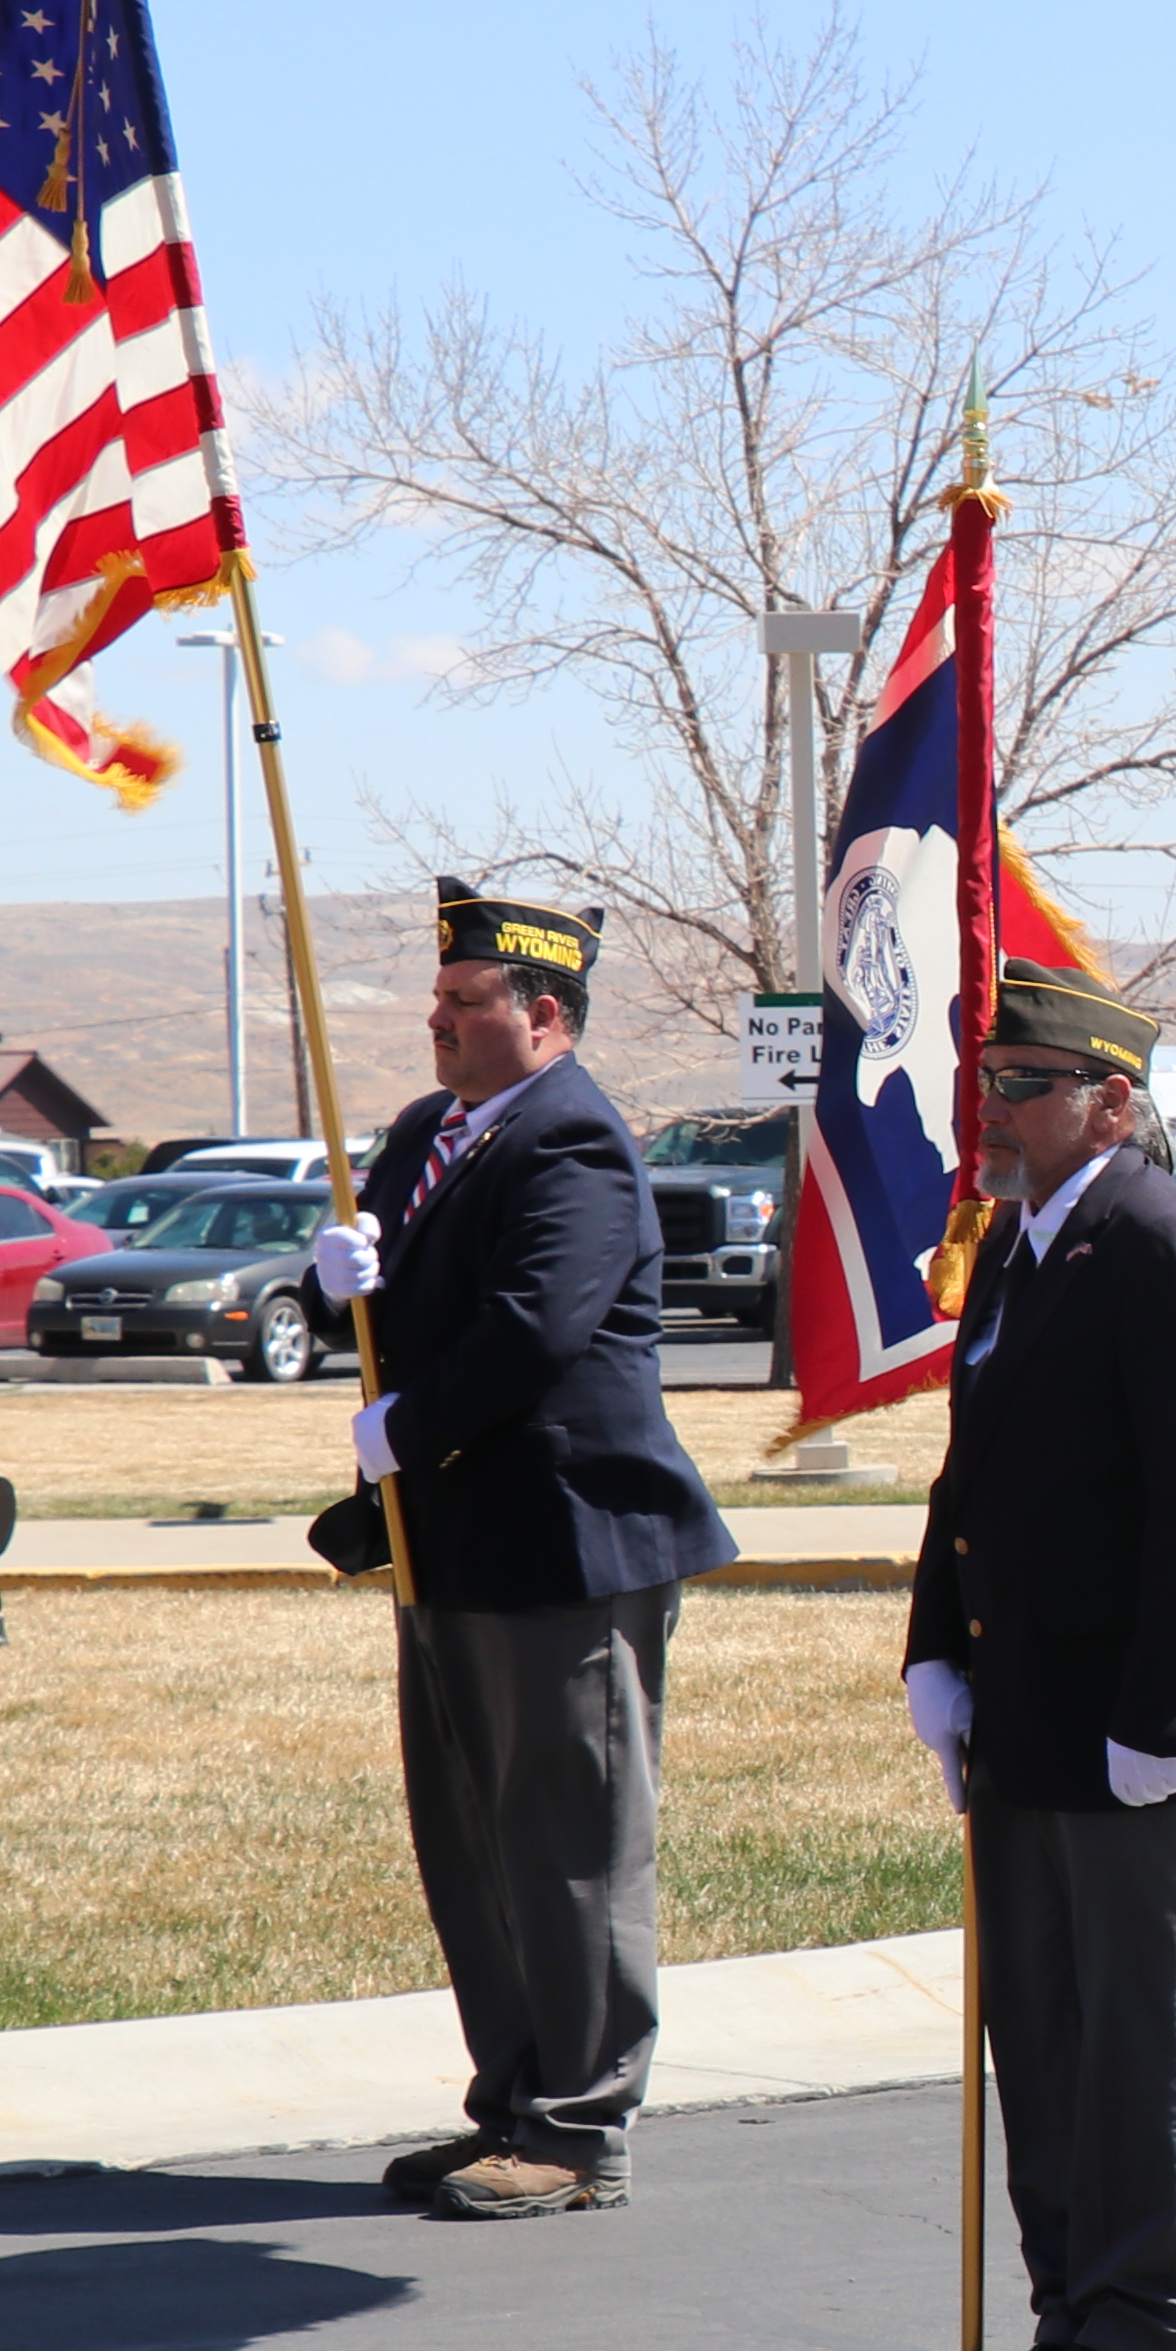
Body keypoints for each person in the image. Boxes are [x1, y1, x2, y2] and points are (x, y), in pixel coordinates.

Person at [900, 971, 1176, 2351]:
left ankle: (1151, 2321)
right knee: (1045, 2019)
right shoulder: (1021, 1243)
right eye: (988, 1081)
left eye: (1024, 1083)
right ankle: (1071, 2304)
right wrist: (934, 1648)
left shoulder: (1159, 1237)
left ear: (1113, 1104)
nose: (994, 1108)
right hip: (1024, 1700)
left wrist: (1164, 1719)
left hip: (1132, 1715)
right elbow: (970, 1473)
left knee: (1142, 2027)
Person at [302, 883, 736, 2221]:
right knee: (473, 1836)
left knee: (570, 1841)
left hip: (566, 1544)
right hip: (453, 1541)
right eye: (435, 1000)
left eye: (463, 1002)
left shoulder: (575, 1142)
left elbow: (534, 1331)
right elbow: (393, 1316)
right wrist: (331, 1285)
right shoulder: (435, 1131)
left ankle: (580, 2125)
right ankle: (513, 2100)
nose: (435, 1023)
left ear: (544, 1015)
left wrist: (403, 1428)